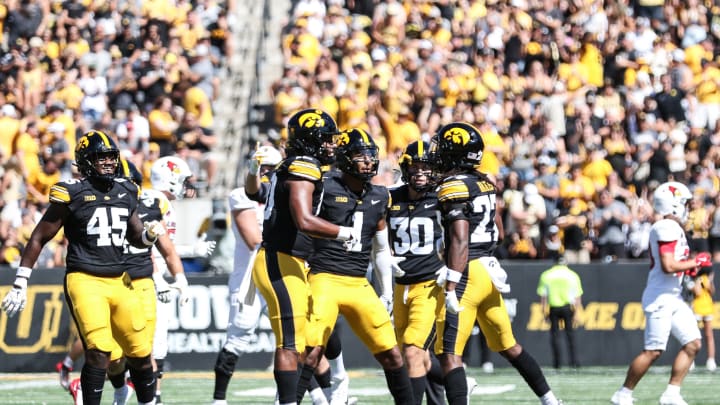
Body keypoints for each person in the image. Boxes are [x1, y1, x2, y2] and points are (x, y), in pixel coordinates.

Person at [1, 130, 167, 405]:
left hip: (120, 278)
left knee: (139, 351)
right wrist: (21, 282)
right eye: (100, 158)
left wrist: (149, 235)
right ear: (86, 161)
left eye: (110, 157)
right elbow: (40, 237)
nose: (108, 163)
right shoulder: (72, 192)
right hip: (85, 279)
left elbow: (135, 234)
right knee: (99, 352)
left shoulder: (126, 189)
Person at [429, 122, 562, 405]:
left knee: (449, 354)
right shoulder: (484, 182)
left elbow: (460, 240)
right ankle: (550, 400)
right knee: (508, 345)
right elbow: (499, 232)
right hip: (489, 268)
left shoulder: (453, 186)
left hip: (466, 270)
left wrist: (452, 283)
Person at [295, 128, 414, 404]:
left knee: (392, 354)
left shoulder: (379, 195)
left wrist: (386, 292)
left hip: (359, 282)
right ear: (346, 158)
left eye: (371, 156)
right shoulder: (325, 185)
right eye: (361, 156)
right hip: (324, 276)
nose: (369, 162)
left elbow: (382, 249)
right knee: (311, 351)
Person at [60, 158, 190, 405]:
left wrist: (176, 277)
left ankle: (149, 399)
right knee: (111, 354)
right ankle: (118, 390)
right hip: (117, 280)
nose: (128, 189)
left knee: (144, 350)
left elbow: (164, 247)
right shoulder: (98, 204)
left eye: (132, 184)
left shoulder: (151, 205)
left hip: (141, 283)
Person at [250, 109, 355, 405]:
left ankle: (327, 391)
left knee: (314, 333)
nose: (332, 145)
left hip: (294, 260)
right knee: (290, 344)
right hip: (280, 260)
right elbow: (304, 220)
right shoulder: (303, 166)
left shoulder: (298, 165)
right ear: (309, 141)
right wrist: (344, 233)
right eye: (325, 140)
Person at [611, 182, 709, 405]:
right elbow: (668, 265)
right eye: (684, 203)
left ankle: (671, 394)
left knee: (693, 343)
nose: (687, 208)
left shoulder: (672, 228)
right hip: (660, 297)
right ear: (673, 205)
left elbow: (674, 265)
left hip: (672, 296)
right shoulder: (666, 226)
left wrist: (690, 267)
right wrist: (695, 261)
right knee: (654, 351)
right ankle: (623, 393)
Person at [211, 145, 284, 405]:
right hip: (250, 279)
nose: (265, 173)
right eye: (261, 167)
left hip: (280, 275)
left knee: (291, 340)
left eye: (271, 168)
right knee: (237, 338)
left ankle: (314, 396)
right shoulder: (241, 195)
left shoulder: (285, 194)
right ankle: (219, 399)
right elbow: (254, 238)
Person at [146, 156, 217, 405]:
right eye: (184, 179)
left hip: (154, 275)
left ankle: (154, 396)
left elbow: (165, 246)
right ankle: (148, 397)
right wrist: (157, 278)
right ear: (171, 178)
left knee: (158, 345)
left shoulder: (163, 202)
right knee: (151, 344)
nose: (187, 184)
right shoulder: (155, 201)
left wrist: (191, 250)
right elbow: (147, 246)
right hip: (147, 277)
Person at [389, 140, 448, 404]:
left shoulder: (443, 200)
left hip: (430, 285)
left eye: (427, 167)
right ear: (405, 169)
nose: (421, 173)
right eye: (416, 167)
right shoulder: (390, 197)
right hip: (401, 286)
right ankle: (456, 379)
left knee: (413, 351)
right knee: (411, 355)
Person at [536, 257, 584, 369]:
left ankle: (557, 363)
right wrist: (577, 312)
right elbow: (577, 296)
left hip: (554, 307)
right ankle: (574, 362)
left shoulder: (546, 275)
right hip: (567, 307)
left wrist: (544, 312)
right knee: (570, 336)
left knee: (555, 337)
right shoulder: (572, 275)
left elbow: (543, 297)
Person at [691, 266, 716, 371]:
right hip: (697, 308)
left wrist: (710, 281)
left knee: (709, 335)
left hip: (707, 308)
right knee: (693, 336)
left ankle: (711, 360)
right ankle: (690, 360)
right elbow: (697, 292)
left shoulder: (706, 279)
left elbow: (712, 291)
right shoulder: (694, 279)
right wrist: (698, 281)